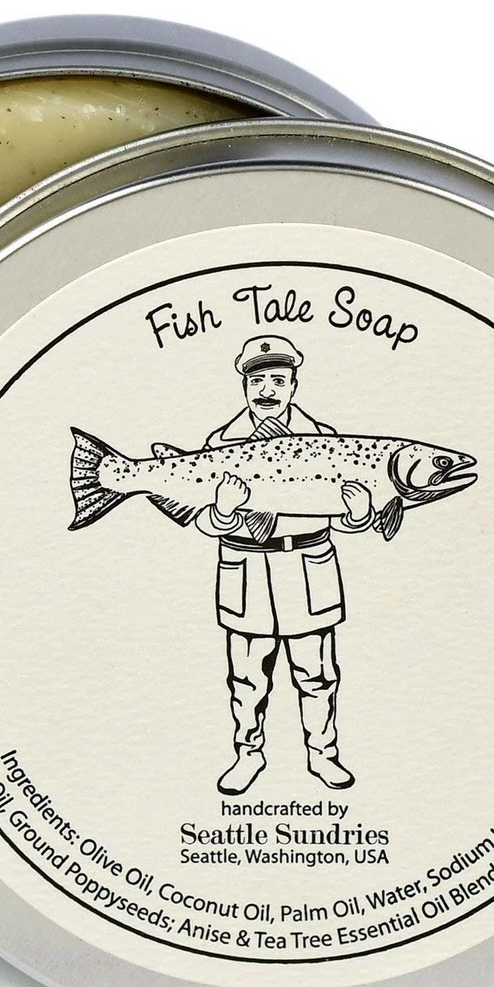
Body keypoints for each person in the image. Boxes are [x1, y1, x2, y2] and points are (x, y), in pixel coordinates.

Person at [195, 335, 372, 795]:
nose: (267, 390)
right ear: (244, 386)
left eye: (278, 379)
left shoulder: (328, 441)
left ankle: (323, 755)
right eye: (257, 381)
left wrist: (358, 514)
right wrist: (224, 510)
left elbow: (345, 518)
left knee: (318, 675)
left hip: (307, 569)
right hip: (247, 572)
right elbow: (202, 520)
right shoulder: (220, 444)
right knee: (247, 678)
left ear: (294, 385)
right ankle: (247, 755)